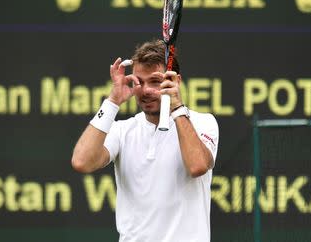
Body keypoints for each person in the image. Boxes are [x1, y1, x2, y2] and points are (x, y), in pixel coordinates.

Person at [71, 39, 219, 242]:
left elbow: (197, 166)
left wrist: (176, 107)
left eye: (155, 82)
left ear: (175, 81)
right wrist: (113, 100)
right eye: (139, 81)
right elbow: (82, 161)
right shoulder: (123, 130)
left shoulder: (203, 122)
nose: (146, 90)